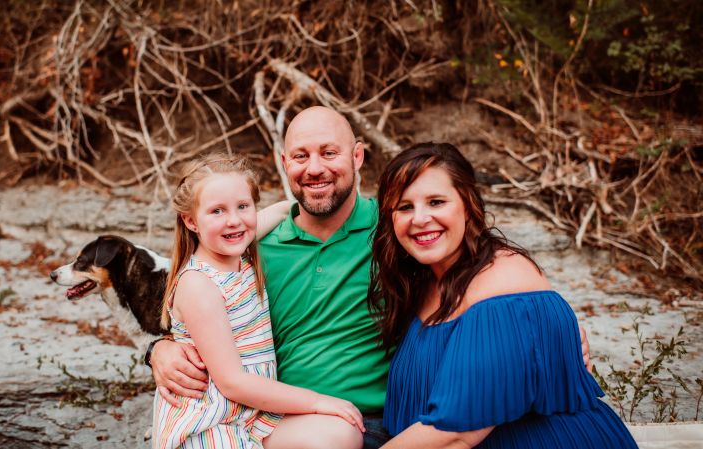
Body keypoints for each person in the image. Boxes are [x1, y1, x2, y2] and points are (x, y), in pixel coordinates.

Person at [149, 106, 592, 449]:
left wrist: (551, 330)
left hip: (383, 425)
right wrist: (160, 349)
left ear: (357, 156)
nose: (315, 168)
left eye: (329, 153)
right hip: (281, 425)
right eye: (301, 156)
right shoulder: (252, 246)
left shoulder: (397, 232)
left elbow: (478, 275)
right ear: (285, 163)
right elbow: (197, 301)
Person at [368, 142, 637, 448]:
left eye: (436, 202)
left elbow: (455, 434)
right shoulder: (423, 281)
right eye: (405, 207)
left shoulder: (505, 283)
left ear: (468, 205)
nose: (419, 218)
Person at [152, 153, 364, 449]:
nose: (234, 220)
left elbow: (279, 212)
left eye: (243, 206)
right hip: (212, 422)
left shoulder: (240, 252)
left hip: (251, 415)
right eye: (217, 211)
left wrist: (313, 203)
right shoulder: (199, 285)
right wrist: (317, 401)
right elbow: (232, 382)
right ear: (191, 221)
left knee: (342, 433)